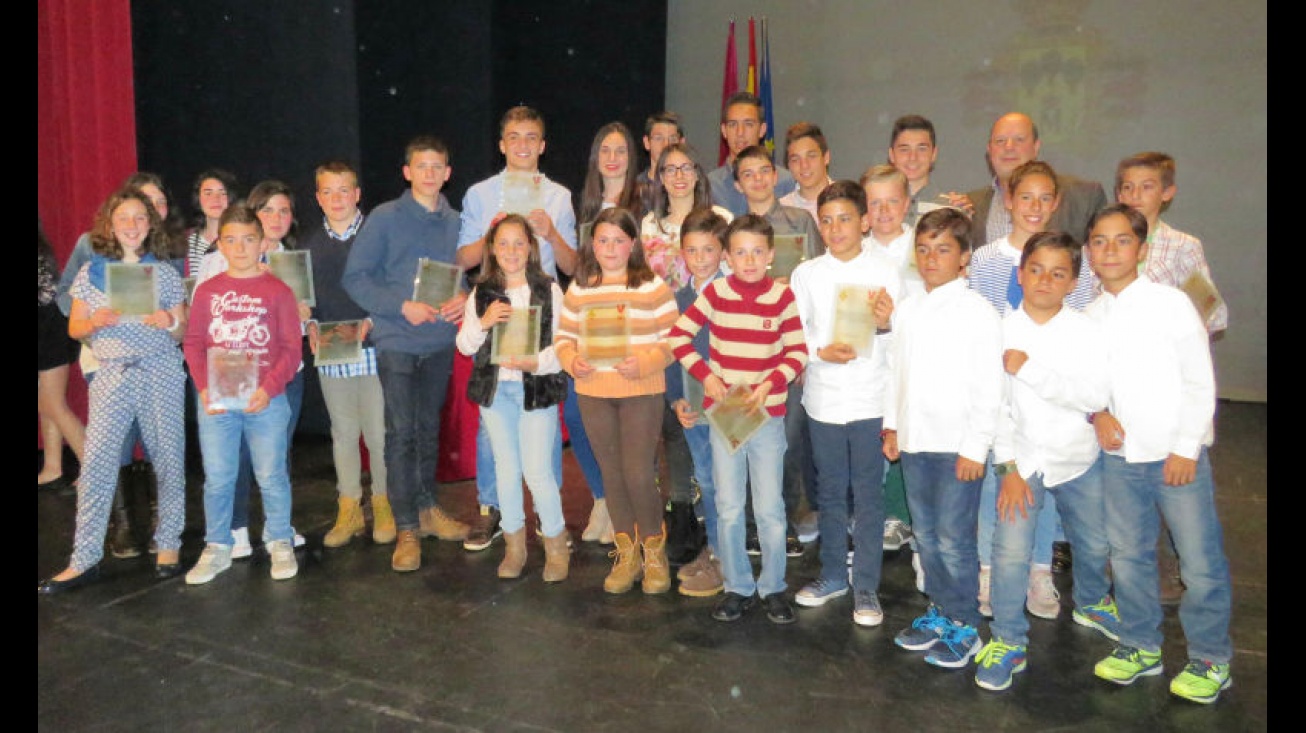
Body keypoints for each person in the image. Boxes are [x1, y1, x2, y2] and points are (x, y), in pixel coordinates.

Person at [1084, 204, 1234, 704]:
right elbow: (1090, 387)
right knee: (1127, 557)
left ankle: (1211, 657)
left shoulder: (1171, 304)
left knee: (1198, 562)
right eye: (1100, 242)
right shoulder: (1089, 315)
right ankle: (1139, 643)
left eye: (1121, 241)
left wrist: (1186, 447)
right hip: (1120, 460)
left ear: (1142, 251)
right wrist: (1097, 414)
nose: (1110, 250)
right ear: (1089, 251)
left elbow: (1199, 380)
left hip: (1175, 457)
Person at [972, 231, 1118, 692]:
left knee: (1094, 544)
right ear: (1020, 274)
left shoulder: (1086, 331)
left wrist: (1030, 368)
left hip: (1078, 459)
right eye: (1035, 270)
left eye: (1058, 273)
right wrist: (1009, 469)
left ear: (1074, 281)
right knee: (1010, 552)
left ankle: (1093, 601)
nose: (1045, 281)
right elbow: (994, 407)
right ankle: (1008, 639)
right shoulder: (998, 330)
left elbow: (1094, 396)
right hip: (1023, 463)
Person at [38, 187, 189, 593]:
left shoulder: (165, 272)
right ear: (110, 224)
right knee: (97, 464)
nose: (132, 226)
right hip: (112, 375)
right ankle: (83, 558)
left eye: (140, 218)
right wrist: (95, 322)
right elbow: (75, 328)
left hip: (160, 371)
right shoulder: (92, 273)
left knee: (169, 457)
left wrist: (169, 321)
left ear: (150, 224)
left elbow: (183, 331)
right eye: (123, 218)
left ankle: (169, 543)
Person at [968, 160, 1098, 621]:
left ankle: (1039, 570)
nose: (1035, 207)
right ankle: (990, 570)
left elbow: (1079, 330)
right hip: (1002, 391)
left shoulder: (1071, 257)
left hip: (1054, 401)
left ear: (1057, 203)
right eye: (1026, 197)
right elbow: (978, 320)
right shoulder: (986, 259)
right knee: (998, 485)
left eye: (1045, 198)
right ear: (1008, 200)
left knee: (1042, 486)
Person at [668, 214, 808, 625]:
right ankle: (738, 586)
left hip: (766, 416)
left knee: (769, 509)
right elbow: (679, 337)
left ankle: (773, 587)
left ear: (770, 256)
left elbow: (798, 352)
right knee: (729, 506)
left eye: (757, 252)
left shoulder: (782, 298)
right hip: (727, 416)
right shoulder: (716, 294)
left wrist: (771, 383)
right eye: (740, 252)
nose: (749, 260)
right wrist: (708, 377)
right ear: (728, 257)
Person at [342, 135, 472, 573]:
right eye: (422, 166)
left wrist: (463, 300)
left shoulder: (458, 222)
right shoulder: (384, 218)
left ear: (448, 173)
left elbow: (464, 278)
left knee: (428, 429)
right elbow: (356, 278)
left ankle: (428, 509)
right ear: (407, 172)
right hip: (397, 341)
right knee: (401, 434)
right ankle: (406, 528)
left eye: (438, 166)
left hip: (437, 343)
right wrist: (401, 306)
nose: (430, 173)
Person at [456, 106, 581, 553]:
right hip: (497, 311)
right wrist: (494, 235)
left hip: (543, 314)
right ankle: (496, 516)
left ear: (542, 145)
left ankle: (551, 527)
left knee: (541, 435)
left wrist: (549, 235)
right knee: (496, 436)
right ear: (502, 143)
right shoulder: (479, 195)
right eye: (514, 137)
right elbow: (465, 259)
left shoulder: (560, 197)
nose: (523, 145)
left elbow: (571, 266)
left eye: (531, 137)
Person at [882, 207, 1002, 668]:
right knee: (926, 535)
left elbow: (989, 387)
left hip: (957, 447)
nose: (932, 258)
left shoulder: (978, 313)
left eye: (944, 250)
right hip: (915, 442)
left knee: (954, 538)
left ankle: (966, 623)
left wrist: (976, 446)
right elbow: (898, 374)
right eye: (925, 249)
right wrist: (893, 425)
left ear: (964, 257)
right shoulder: (909, 310)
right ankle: (941, 612)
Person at [1115, 150, 1228, 604]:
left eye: (1146, 187)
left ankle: (1188, 572)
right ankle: (1144, 578)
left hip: (1170, 395)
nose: (1135, 196)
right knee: (1131, 515)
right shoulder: (1104, 244)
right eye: (1126, 187)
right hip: (1124, 403)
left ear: (1167, 193)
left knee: (1182, 501)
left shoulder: (1184, 246)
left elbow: (1211, 312)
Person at [789, 180, 901, 626]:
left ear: (865, 221)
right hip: (824, 400)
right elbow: (795, 336)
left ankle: (867, 587)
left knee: (869, 497)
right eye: (828, 220)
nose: (836, 229)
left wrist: (888, 323)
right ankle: (834, 573)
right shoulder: (807, 273)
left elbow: (900, 341)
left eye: (846, 219)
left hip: (872, 398)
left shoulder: (888, 270)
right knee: (831, 493)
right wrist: (820, 351)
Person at [554, 206, 679, 595]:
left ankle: (654, 554)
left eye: (619, 240)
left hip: (641, 390)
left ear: (633, 244)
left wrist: (645, 362)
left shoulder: (652, 286)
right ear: (593, 244)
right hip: (594, 391)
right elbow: (563, 339)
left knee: (639, 473)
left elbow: (674, 339)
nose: (610, 247)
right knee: (612, 475)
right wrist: (571, 361)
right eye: (603, 240)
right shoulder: (580, 288)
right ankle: (627, 555)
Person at [183, 204, 302, 585]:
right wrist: (203, 386)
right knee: (218, 477)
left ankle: (279, 539)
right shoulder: (207, 291)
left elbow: (291, 348)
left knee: (271, 475)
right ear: (219, 243)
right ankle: (217, 545)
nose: (240, 248)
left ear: (262, 241)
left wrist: (269, 388)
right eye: (231, 240)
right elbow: (193, 342)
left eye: (248, 240)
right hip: (218, 399)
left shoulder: (279, 291)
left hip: (265, 400)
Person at [456, 214, 571, 581]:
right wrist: (484, 322)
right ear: (492, 248)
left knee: (537, 471)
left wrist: (535, 362)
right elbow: (464, 345)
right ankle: (514, 545)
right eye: (503, 244)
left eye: (519, 243)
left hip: (536, 390)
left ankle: (555, 543)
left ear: (531, 248)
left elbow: (565, 344)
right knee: (506, 470)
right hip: (496, 392)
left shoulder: (548, 289)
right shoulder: (482, 291)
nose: (511, 251)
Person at [732, 142, 822, 556]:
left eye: (763, 171)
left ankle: (784, 521)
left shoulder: (801, 220)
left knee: (785, 444)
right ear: (737, 183)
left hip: (788, 353)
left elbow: (820, 282)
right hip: (741, 355)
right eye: (747, 174)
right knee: (743, 440)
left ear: (775, 174)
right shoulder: (731, 229)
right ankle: (751, 525)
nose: (757, 180)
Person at [301, 160, 393, 548]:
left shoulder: (378, 235)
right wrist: (308, 324)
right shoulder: (308, 245)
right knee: (342, 433)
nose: (336, 198)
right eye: (328, 191)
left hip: (373, 349)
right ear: (318, 197)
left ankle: (384, 504)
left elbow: (392, 285)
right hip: (333, 350)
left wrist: (373, 319)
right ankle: (349, 507)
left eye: (344, 191)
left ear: (357, 195)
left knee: (378, 434)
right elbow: (305, 299)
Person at [857, 164, 925, 582]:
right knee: (872, 453)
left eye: (892, 202)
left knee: (912, 449)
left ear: (907, 203)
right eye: (874, 203)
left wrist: (894, 320)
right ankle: (876, 520)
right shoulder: (856, 251)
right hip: (865, 368)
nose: (884, 211)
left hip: (912, 365)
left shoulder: (924, 248)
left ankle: (919, 533)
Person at [664, 208, 729, 597]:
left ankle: (726, 560)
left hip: (729, 409)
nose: (701, 258)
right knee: (706, 480)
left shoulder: (733, 293)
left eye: (709, 249)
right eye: (692, 250)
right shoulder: (678, 299)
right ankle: (717, 551)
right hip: (694, 411)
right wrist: (675, 400)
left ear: (723, 252)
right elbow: (673, 354)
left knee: (728, 486)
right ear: (682, 253)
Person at [965, 112, 1106, 246]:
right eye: (1000, 141)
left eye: (1019, 140)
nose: (1008, 147)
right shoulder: (971, 204)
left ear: (1036, 147)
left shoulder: (1083, 197)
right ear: (989, 150)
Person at [38, 220, 85, 491]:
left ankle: (95, 469)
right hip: (47, 329)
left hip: (49, 331)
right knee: (47, 403)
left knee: (53, 404)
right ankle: (53, 467)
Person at [707, 91, 796, 217]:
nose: (740, 132)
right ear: (724, 131)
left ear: (762, 130)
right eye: (733, 125)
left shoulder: (785, 181)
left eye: (748, 124)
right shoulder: (710, 186)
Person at [886, 114, 970, 225]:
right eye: (904, 149)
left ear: (934, 154)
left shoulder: (953, 211)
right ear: (891, 155)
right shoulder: (874, 209)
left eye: (921, 149)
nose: (913, 157)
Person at [578, 121, 645, 227]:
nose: (612, 158)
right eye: (605, 151)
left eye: (620, 151)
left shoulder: (643, 199)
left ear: (630, 157)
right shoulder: (588, 202)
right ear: (595, 157)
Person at [185, 168, 240, 277]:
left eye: (222, 193)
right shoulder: (184, 241)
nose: (215, 199)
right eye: (208, 193)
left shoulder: (241, 239)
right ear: (198, 199)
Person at [778, 122, 833, 222]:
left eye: (811, 156)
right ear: (788, 166)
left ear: (826, 157)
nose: (804, 165)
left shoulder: (849, 202)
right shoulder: (781, 212)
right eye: (795, 159)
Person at [639, 111, 685, 214]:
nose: (666, 145)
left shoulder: (689, 186)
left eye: (672, 138)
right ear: (647, 143)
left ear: (682, 143)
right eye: (658, 138)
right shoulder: (635, 190)